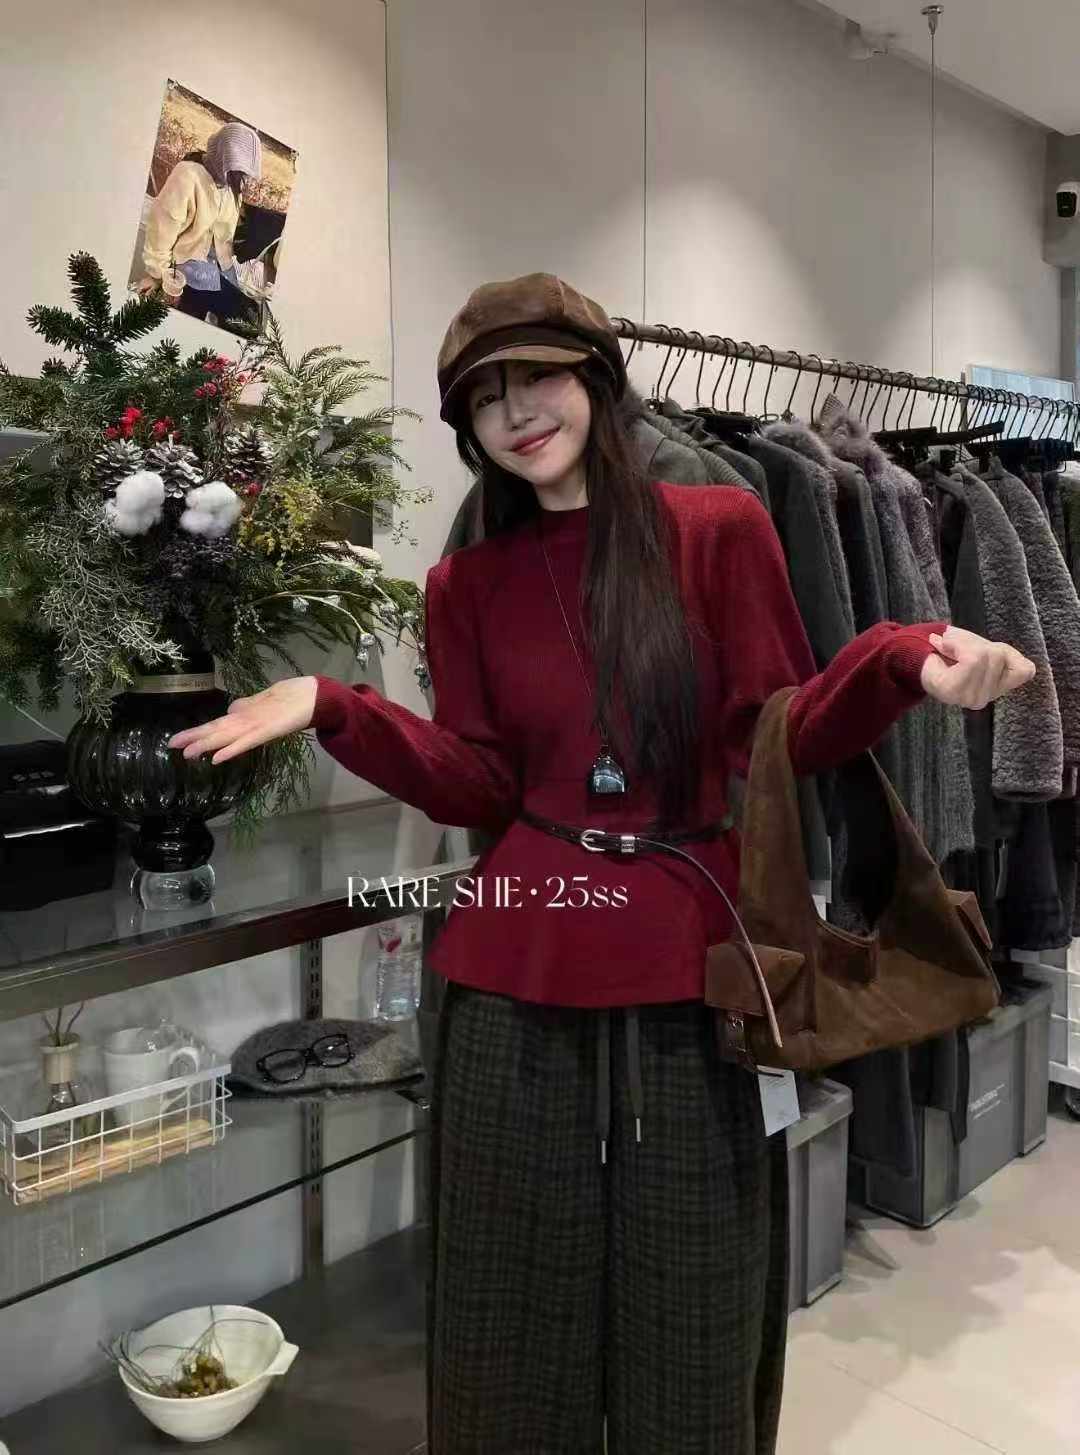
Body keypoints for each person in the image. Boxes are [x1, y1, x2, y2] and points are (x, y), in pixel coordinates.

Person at [167, 274, 1034, 1453]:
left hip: (692, 963)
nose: (516, 411)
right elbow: (481, 783)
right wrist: (337, 707)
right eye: (485, 397)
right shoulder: (466, 584)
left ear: (596, 378)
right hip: (515, 965)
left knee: (696, 1302)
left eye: (538, 375)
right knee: (506, 1308)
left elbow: (777, 737)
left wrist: (898, 657)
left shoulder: (720, 528)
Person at [135, 121, 263, 325]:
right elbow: (161, 228)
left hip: (219, 268)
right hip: (187, 266)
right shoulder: (188, 175)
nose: (243, 180)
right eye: (239, 172)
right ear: (224, 159)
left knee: (245, 316)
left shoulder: (232, 188)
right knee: (249, 317)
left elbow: (224, 236)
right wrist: (158, 275)